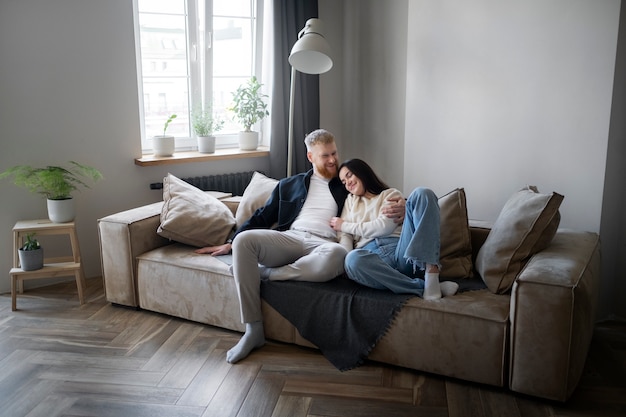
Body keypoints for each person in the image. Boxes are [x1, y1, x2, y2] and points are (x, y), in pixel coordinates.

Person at [195, 130, 406, 364]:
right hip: (291, 238)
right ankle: (253, 330)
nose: (332, 160)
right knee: (245, 241)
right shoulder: (289, 185)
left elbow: (375, 195)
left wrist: (403, 206)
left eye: (334, 152)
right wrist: (232, 241)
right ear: (310, 157)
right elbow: (263, 217)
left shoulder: (345, 183)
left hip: (325, 245)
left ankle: (267, 274)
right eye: (325, 155)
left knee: (339, 255)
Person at [329, 158, 458, 299]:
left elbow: (383, 227)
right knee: (352, 259)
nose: (347, 183)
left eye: (349, 176)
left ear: (362, 172)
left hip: (402, 251)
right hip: (372, 259)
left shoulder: (390, 194)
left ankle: (432, 272)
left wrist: (344, 224)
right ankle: (426, 287)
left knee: (423, 193)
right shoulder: (350, 202)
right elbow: (345, 235)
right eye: (343, 182)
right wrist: (345, 259)